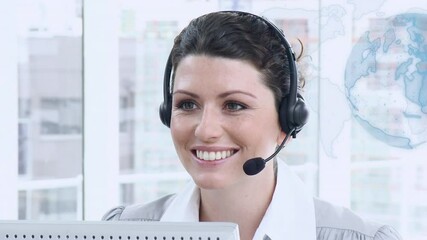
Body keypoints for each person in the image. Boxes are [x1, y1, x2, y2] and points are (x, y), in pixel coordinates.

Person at [103, 11, 402, 240]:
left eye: (234, 106)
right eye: (187, 104)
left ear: (288, 120)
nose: (205, 130)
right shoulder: (122, 231)